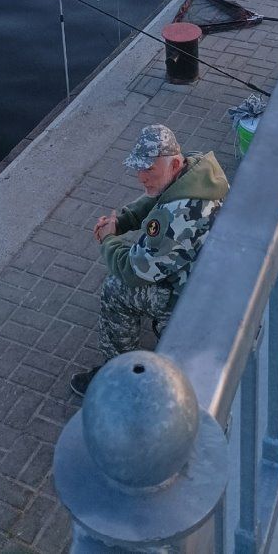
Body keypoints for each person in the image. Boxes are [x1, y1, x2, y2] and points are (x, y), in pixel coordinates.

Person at [71, 124, 229, 398]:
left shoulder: (173, 218)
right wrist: (122, 221)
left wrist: (109, 240)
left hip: (194, 304)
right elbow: (156, 199)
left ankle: (119, 376)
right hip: (210, 281)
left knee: (116, 288)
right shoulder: (197, 169)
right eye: (139, 168)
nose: (141, 178)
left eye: (149, 169)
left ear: (174, 163)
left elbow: (132, 270)